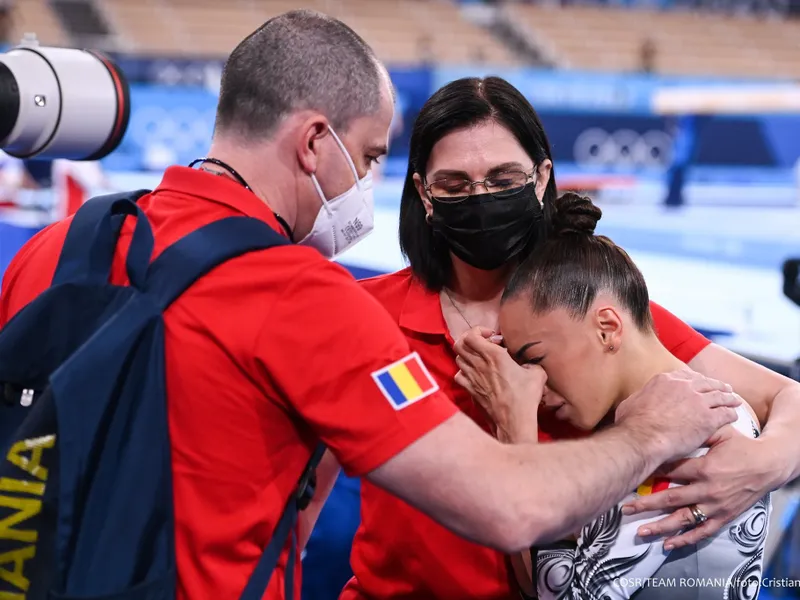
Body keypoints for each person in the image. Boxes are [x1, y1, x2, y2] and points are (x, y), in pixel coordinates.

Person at [0, 12, 739, 600]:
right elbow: (507, 507)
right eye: (374, 155)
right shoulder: (300, 294)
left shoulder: (59, 247)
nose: (370, 183)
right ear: (316, 141)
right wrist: (648, 435)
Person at [341, 76, 800, 600]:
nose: (481, 198)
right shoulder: (362, 314)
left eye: (502, 177)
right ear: (423, 192)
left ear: (540, 180)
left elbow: (790, 398)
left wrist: (766, 465)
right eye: (455, 185)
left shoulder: (593, 315)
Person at [457, 193, 772, 599]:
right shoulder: (661, 418)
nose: (532, 386)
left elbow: (561, 593)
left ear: (607, 327)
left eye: (535, 359)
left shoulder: (690, 429)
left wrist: (515, 426)